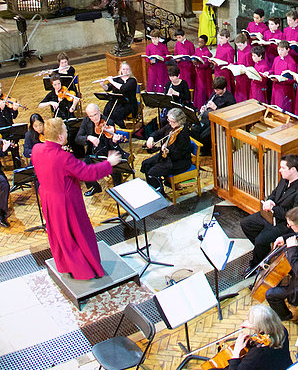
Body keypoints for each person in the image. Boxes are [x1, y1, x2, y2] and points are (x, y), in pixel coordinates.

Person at [32, 118, 123, 280]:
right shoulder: (62, 157)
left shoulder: (37, 149)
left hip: (47, 199)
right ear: (60, 137)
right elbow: (87, 173)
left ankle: (66, 265)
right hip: (66, 203)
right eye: (66, 131)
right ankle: (86, 268)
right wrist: (109, 163)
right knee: (79, 234)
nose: (68, 132)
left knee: (61, 235)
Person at [201, 301, 291, 370]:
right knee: (230, 367)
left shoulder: (258, 353)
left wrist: (237, 350)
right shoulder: (282, 330)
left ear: (260, 326)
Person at [240, 154, 298, 268]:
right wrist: (269, 200)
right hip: (271, 215)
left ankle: (256, 265)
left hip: (284, 224)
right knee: (245, 224)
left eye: (283, 168)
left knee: (260, 240)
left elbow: (293, 217)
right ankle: (265, 253)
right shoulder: (285, 179)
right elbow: (275, 192)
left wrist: (273, 208)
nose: (280, 170)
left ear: (293, 169)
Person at [140, 106, 192, 193]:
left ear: (179, 121)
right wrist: (151, 138)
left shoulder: (183, 134)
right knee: (146, 164)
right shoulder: (171, 127)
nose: (170, 123)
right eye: (169, 120)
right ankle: (154, 189)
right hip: (167, 156)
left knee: (153, 172)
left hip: (178, 162)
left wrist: (167, 151)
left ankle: (159, 193)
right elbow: (159, 132)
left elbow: (179, 154)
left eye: (172, 121)